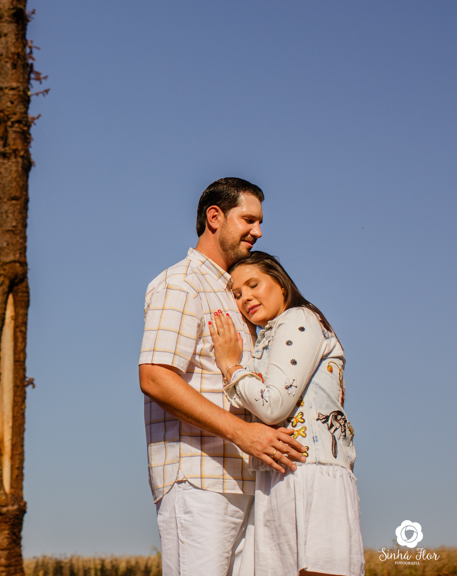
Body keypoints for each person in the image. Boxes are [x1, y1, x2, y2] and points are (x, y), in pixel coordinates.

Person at [139, 177, 306, 576]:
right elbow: (155, 376)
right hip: (199, 482)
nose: (258, 231)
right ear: (215, 217)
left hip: (248, 483)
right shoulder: (181, 284)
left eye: (260, 222)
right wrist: (242, 433)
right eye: (248, 219)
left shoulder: (236, 294)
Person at [211, 252, 364, 576]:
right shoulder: (270, 335)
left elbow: (273, 404)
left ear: (281, 284)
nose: (245, 297)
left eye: (253, 285)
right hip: (281, 474)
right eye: (236, 294)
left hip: (310, 474)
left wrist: (230, 365)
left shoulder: (299, 320)